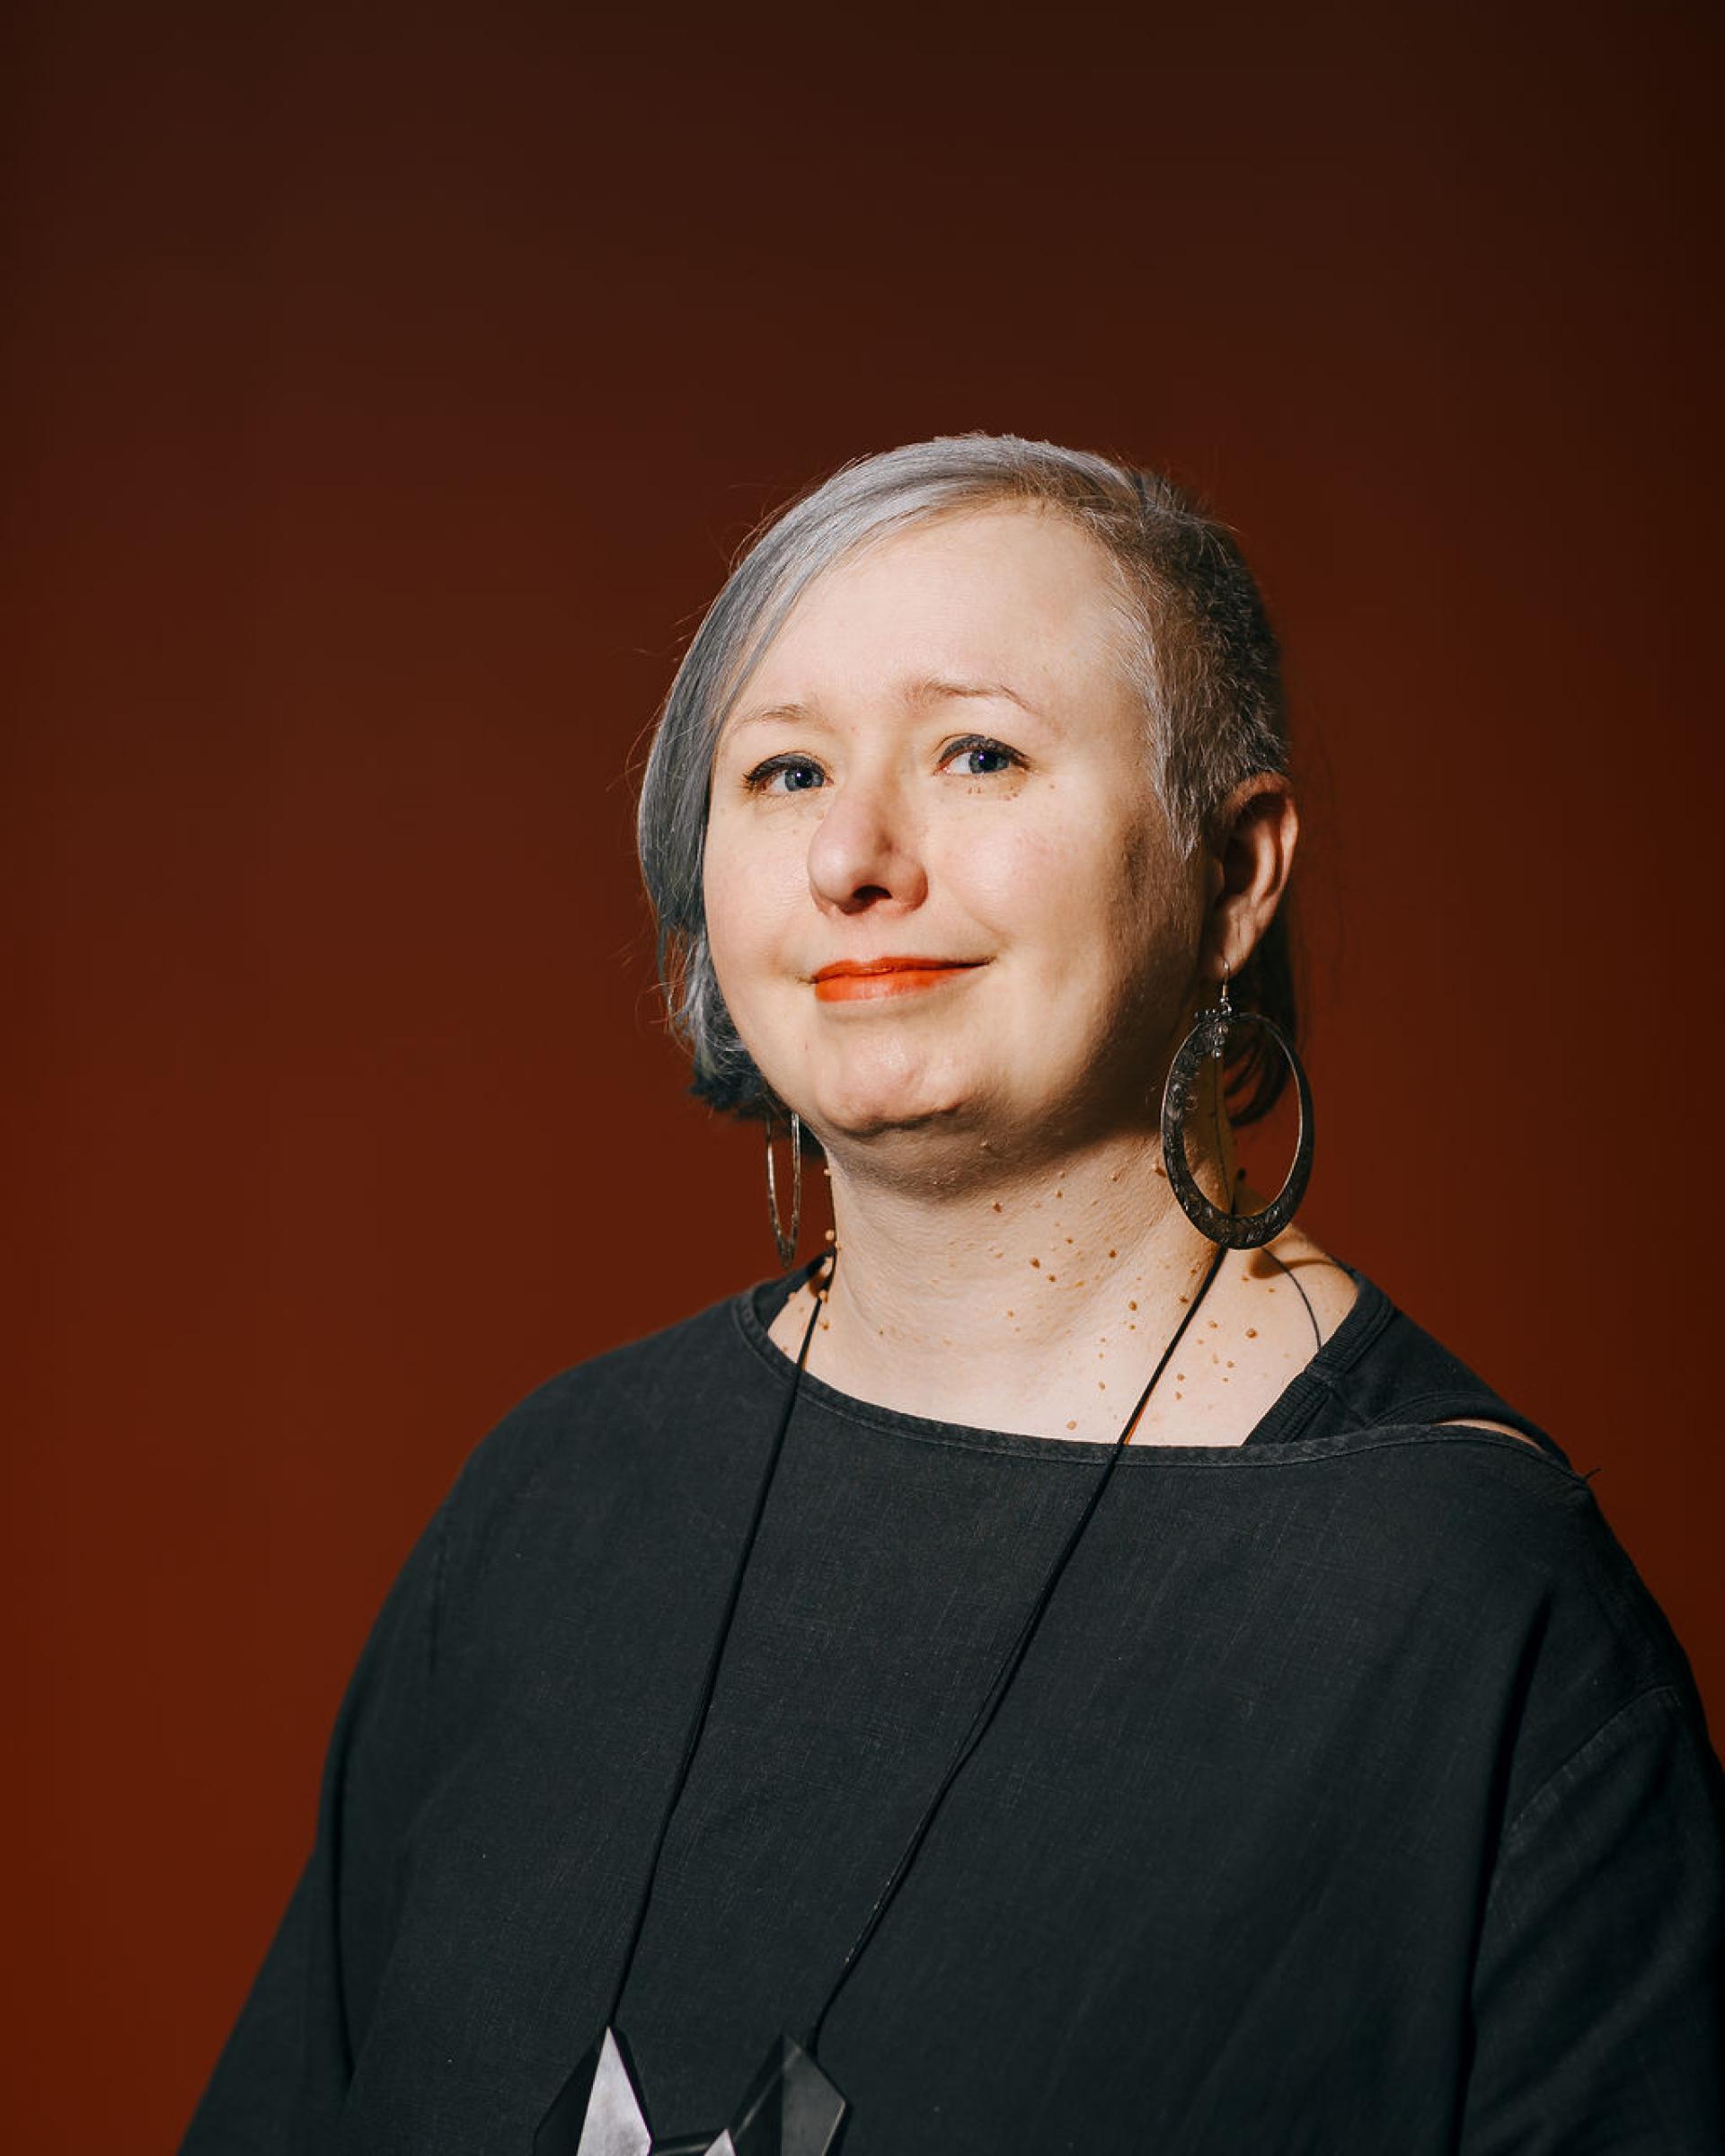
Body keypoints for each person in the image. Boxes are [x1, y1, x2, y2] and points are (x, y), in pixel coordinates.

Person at [182, 435, 1724, 2155]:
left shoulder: (1470, 1620)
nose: (856, 856)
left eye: (979, 751)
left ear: (1236, 873)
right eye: (780, 774)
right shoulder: (554, 1500)